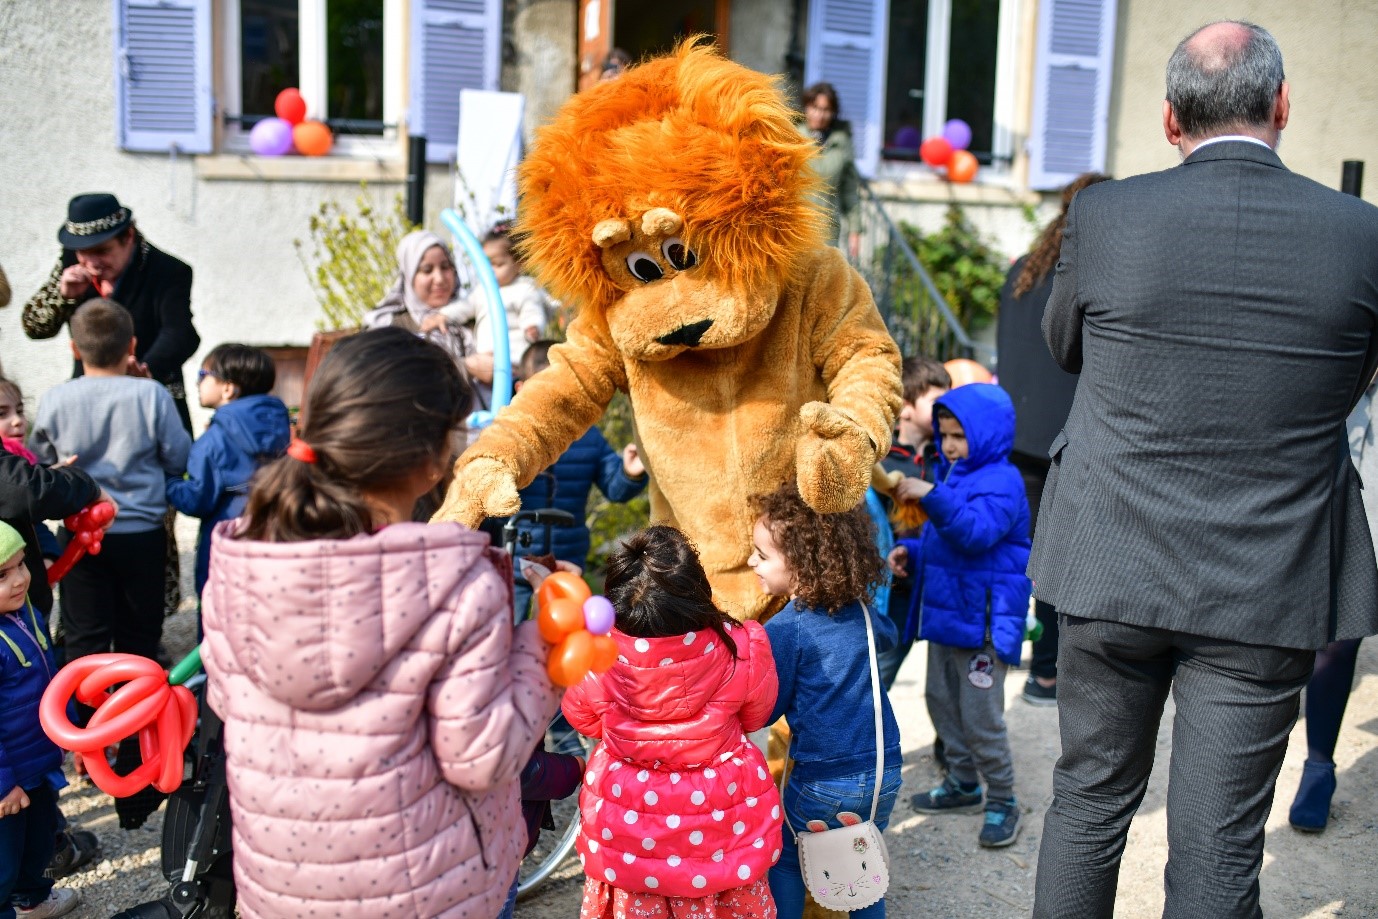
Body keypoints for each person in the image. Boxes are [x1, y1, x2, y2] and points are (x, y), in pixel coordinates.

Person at [1029, 21, 1378, 918]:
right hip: (1267, 577)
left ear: (1171, 117)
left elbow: (1065, 345)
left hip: (1111, 558)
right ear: (1284, 106)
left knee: (1089, 803)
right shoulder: (1363, 234)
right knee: (1219, 846)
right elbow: (1358, 372)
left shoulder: (1104, 214)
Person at [199, 327, 561, 919]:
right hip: (437, 890)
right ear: (432, 460)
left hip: (284, 889)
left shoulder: (242, 566)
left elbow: (227, 698)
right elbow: (482, 754)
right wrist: (544, 647)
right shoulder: (456, 583)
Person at [28, 299, 190, 830]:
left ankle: (85, 749)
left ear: (73, 348)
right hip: (140, 531)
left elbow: (38, 462)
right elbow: (179, 457)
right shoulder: (150, 395)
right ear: (133, 346)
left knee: (84, 644)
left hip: (78, 535)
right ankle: (136, 747)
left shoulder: (55, 398)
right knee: (140, 641)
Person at [562, 525, 781, 919]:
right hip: (720, 816)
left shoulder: (594, 654)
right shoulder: (743, 646)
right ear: (697, 591)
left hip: (625, 819)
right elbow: (756, 716)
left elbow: (584, 721)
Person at [886, 384, 1030, 848]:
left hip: (983, 625)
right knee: (942, 702)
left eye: (959, 437)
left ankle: (1003, 799)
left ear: (987, 436)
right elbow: (944, 542)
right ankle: (964, 784)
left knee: (981, 716)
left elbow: (975, 533)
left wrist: (932, 495)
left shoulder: (1002, 481)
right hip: (950, 617)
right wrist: (911, 550)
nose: (949, 445)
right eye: (945, 435)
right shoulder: (956, 475)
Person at [749, 482, 902, 919]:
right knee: (861, 861)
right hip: (882, 773)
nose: (752, 562)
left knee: (786, 854)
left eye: (762, 555)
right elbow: (888, 637)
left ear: (798, 562)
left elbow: (768, 709)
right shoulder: (863, 612)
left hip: (825, 780)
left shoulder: (786, 628)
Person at [996, 172, 1110, 706]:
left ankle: (996, 663)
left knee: (1018, 555)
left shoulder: (1022, 269)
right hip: (1066, 436)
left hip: (1015, 433)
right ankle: (1047, 673)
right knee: (1059, 560)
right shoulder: (1096, 270)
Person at [22, 194, 199, 433]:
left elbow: (180, 335)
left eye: (102, 251)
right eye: (83, 252)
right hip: (88, 397)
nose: (92, 262)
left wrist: (139, 373)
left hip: (150, 395)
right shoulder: (71, 260)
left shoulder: (168, 270)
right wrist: (62, 298)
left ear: (129, 236)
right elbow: (34, 327)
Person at [1288, 379, 1378, 831]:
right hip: (1329, 427)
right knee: (1335, 626)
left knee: (1346, 618)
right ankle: (1318, 765)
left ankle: (1317, 765)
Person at [505, 340, 647, 620]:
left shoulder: (586, 436)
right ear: (521, 389)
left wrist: (630, 472)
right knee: (513, 638)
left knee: (565, 643)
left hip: (567, 567)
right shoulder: (505, 435)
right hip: (513, 570)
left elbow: (615, 489)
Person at [166, 344, 290, 602]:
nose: (197, 382)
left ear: (227, 388)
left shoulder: (215, 439)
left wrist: (170, 482)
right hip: (276, 533)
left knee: (218, 611)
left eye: (203, 375)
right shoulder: (282, 427)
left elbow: (197, 499)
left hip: (225, 538)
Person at [0, 522, 81, 919]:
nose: (19, 580)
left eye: (21, 566)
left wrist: (72, 732)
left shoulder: (23, 612)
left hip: (37, 761)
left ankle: (30, 900)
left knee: (39, 840)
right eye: (2, 575)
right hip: (6, 779)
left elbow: (50, 678)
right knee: (3, 861)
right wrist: (3, 785)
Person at [875, 356, 950, 689]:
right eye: (937, 401)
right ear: (905, 407)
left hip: (939, 581)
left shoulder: (948, 458)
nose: (946, 408)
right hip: (895, 588)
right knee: (880, 671)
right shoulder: (881, 460)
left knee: (945, 681)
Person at [364, 228, 490, 401]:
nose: (439, 279)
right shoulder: (391, 326)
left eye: (445, 267)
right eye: (427, 270)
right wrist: (464, 367)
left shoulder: (469, 318)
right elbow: (389, 377)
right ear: (408, 276)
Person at [431, 223, 549, 373]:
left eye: (498, 264)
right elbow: (465, 307)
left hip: (514, 360)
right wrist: (444, 315)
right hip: (486, 360)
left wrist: (532, 326)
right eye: (486, 265)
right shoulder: (482, 291)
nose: (490, 271)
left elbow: (532, 310)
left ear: (519, 264)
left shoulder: (524, 288)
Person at [800, 83, 860, 255]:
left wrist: (855, 231)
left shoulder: (841, 143)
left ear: (833, 113)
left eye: (826, 109)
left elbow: (850, 190)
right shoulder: (792, 137)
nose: (819, 115)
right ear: (806, 108)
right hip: (796, 228)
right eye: (815, 108)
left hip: (827, 230)